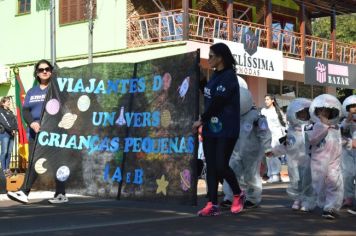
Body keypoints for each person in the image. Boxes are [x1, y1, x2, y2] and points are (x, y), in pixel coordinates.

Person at [192, 42, 244, 216]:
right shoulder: (214, 76)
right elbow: (208, 93)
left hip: (226, 129)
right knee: (212, 167)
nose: (209, 59)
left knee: (221, 165)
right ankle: (212, 204)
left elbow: (218, 102)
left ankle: (238, 193)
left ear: (221, 57)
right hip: (211, 129)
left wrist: (201, 120)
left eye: (212, 56)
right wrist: (199, 78)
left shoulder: (229, 76)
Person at [7, 59, 68, 204]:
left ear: (51, 71)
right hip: (36, 133)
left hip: (53, 132)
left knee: (56, 163)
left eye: (47, 69)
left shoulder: (57, 89)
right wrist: (32, 123)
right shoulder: (32, 91)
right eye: (41, 70)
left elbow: (63, 108)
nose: (45, 71)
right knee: (34, 161)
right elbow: (26, 110)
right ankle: (25, 192)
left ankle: (59, 194)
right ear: (37, 73)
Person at [221, 87, 272, 209]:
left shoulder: (256, 116)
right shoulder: (231, 116)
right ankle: (230, 196)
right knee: (231, 172)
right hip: (235, 150)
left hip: (252, 153)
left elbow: (264, 133)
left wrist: (267, 148)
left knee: (251, 176)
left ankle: (253, 198)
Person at [272, 98, 316, 212]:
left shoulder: (311, 128)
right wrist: (274, 152)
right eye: (300, 113)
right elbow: (286, 144)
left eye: (305, 113)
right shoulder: (291, 129)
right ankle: (298, 198)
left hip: (308, 159)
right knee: (296, 180)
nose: (303, 116)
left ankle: (308, 201)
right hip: (294, 160)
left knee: (307, 180)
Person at [305, 94, 343, 219]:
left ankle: (330, 208)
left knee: (334, 182)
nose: (324, 113)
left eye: (326, 110)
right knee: (319, 185)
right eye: (321, 110)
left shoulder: (337, 127)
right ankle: (317, 202)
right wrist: (324, 126)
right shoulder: (316, 126)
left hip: (334, 160)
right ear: (316, 112)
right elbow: (312, 140)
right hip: (319, 161)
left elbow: (339, 141)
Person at [261, 95, 286, 183]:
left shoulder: (278, 111)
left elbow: (284, 123)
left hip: (277, 135)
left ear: (272, 100)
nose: (266, 101)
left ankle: (275, 174)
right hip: (267, 135)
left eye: (268, 99)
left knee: (274, 154)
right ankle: (271, 174)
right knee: (268, 155)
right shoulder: (263, 111)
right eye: (265, 99)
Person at [340, 95, 356, 210]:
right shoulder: (344, 122)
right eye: (352, 107)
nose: (354, 109)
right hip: (347, 151)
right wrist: (348, 120)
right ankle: (348, 197)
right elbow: (340, 132)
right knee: (348, 175)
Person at [0, 96, 18, 177]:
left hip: (12, 134)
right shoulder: (1, 111)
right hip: (5, 134)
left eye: (9, 101)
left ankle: (7, 169)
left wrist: (15, 129)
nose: (9, 103)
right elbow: (4, 122)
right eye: (8, 102)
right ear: (3, 103)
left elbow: (15, 121)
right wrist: (11, 130)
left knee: (9, 152)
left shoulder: (10, 112)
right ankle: (3, 169)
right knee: (4, 152)